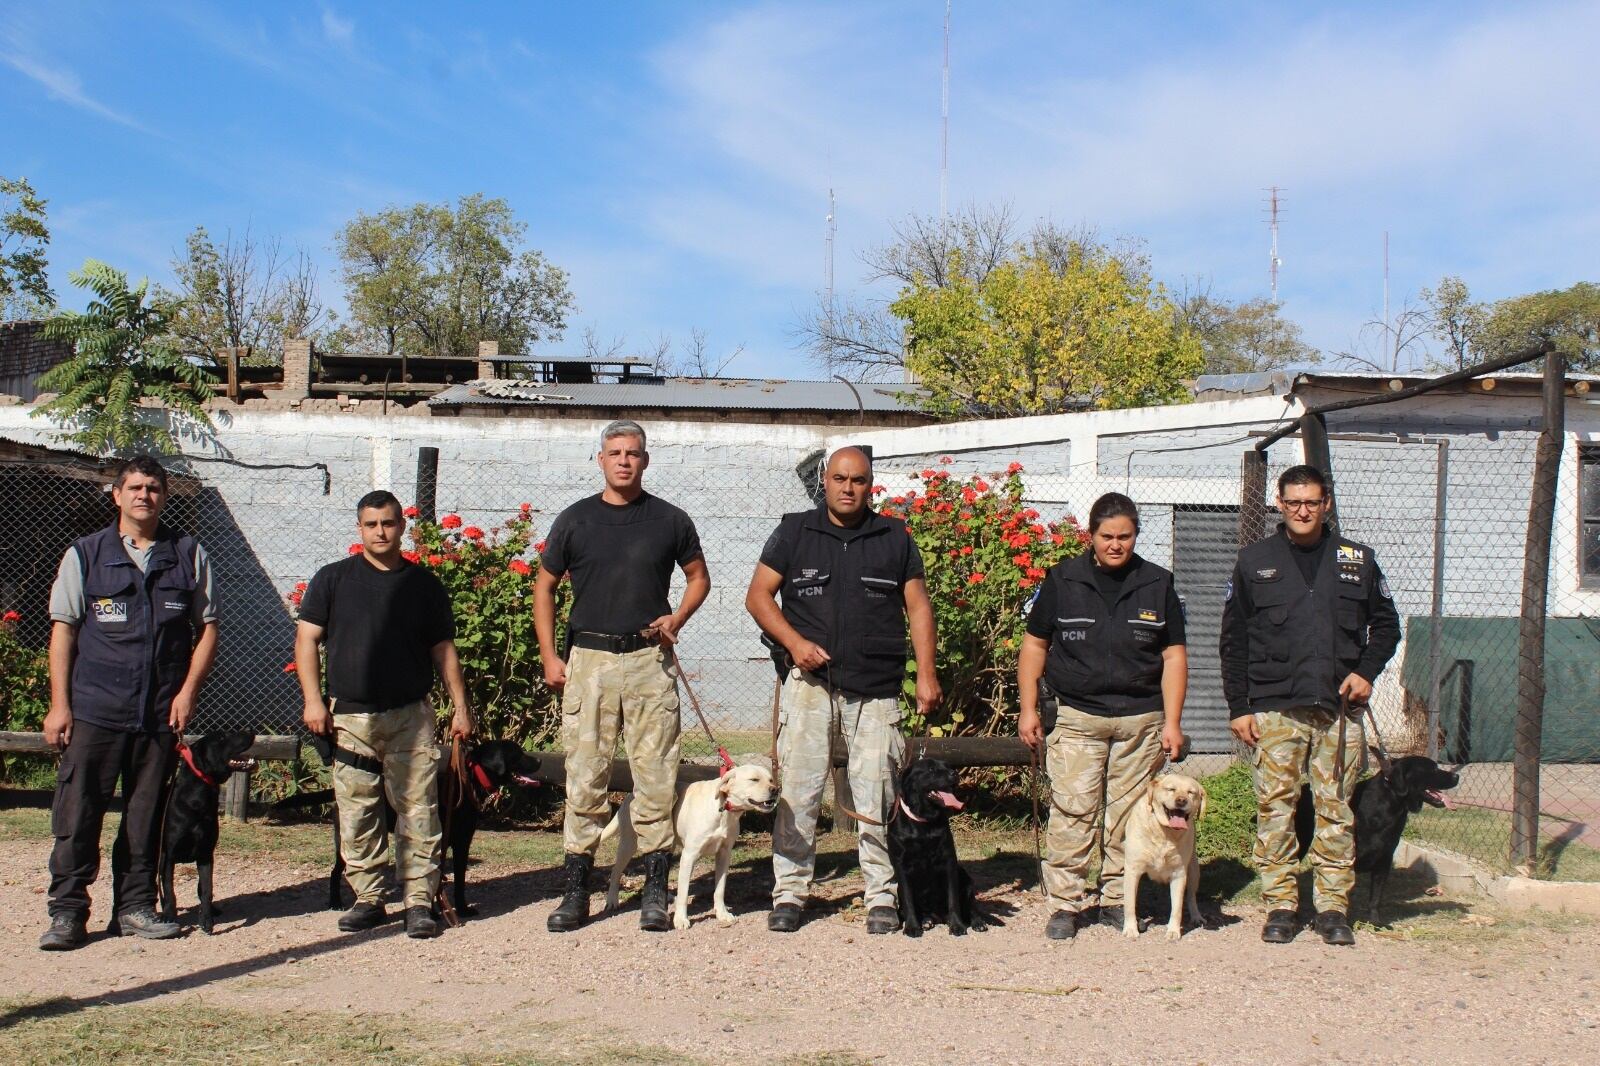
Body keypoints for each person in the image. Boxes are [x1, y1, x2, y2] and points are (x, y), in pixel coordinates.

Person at [745, 446, 941, 934]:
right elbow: (758, 596)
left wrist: (928, 673)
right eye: (839, 478)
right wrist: (794, 642)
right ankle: (790, 892)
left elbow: (918, 607)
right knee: (799, 791)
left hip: (875, 690)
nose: (848, 488)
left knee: (876, 793)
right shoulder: (794, 532)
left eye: (857, 480)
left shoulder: (894, 536)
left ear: (870, 485)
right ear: (825, 482)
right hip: (810, 687)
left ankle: (881, 895)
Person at [534, 420, 710, 932]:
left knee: (655, 777)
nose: (624, 461)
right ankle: (576, 893)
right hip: (588, 661)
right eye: (615, 453)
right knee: (585, 776)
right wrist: (551, 655)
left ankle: (655, 890)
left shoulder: (670, 520)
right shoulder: (575, 521)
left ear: (645, 460)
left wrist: (677, 618)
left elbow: (698, 577)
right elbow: (544, 587)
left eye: (633, 453)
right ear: (600, 459)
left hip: (648, 660)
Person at [39, 455, 220, 950]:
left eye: (154, 488)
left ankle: (135, 906)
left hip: (160, 713)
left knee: (146, 815)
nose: (144, 495)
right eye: (135, 487)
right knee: (78, 814)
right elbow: (63, 633)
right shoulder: (86, 555)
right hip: (96, 709)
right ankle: (68, 912)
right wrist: (61, 705)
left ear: (165, 496)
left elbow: (207, 630)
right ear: (116, 495)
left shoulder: (187, 555)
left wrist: (187, 693)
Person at [1221, 464, 1400, 946]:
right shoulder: (1254, 561)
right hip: (1276, 708)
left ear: (1326, 505)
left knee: (1336, 808)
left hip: (1338, 711)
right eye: (1293, 502)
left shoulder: (1357, 560)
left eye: (1312, 502)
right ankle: (1280, 903)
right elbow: (1233, 641)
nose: (1303, 510)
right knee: (1276, 808)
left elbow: (1387, 627)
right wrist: (1239, 706)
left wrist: (1365, 673)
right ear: (1279, 504)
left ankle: (1333, 907)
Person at [295, 489, 474, 940]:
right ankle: (369, 898)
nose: (381, 531)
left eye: (389, 523)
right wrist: (313, 701)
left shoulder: (423, 586)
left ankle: (418, 901)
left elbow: (444, 650)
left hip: (409, 717)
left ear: (401, 527)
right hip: (350, 720)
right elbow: (306, 641)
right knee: (357, 812)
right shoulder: (332, 580)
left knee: (419, 811)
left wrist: (460, 707)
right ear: (360, 529)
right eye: (371, 524)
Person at [1017, 492, 1188, 940]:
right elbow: (1035, 646)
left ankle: (1116, 899)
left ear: (1136, 536)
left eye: (1125, 537)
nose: (1116, 545)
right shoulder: (1063, 579)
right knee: (1073, 810)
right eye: (1107, 536)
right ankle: (1065, 904)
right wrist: (1028, 708)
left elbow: (1173, 656)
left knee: (1128, 814)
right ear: (1090, 535)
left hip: (1140, 720)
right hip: (1077, 715)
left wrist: (1172, 721)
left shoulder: (1158, 583)